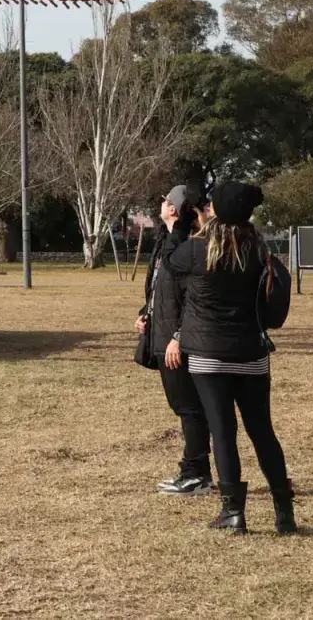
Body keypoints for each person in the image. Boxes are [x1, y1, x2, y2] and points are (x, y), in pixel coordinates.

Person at [165, 181, 296, 534]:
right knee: (262, 431)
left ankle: (233, 512)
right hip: (251, 352)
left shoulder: (196, 250)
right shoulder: (259, 249)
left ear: (217, 211)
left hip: (208, 357)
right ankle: (284, 511)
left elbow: (170, 262)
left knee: (223, 432)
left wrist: (181, 225)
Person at [136, 185, 211, 496]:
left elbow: (191, 298)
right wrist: (145, 314)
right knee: (183, 405)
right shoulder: (165, 242)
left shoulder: (183, 246)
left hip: (177, 342)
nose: (162, 203)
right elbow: (160, 289)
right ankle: (196, 471)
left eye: (166, 201)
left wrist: (178, 336)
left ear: (175, 211)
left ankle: (196, 474)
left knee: (189, 407)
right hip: (163, 333)